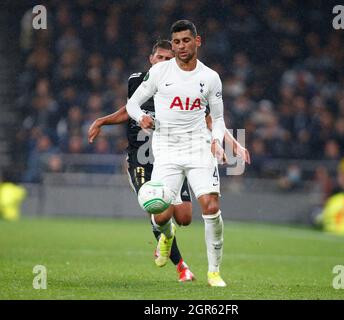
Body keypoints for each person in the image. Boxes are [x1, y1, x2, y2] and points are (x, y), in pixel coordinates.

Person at [88, 39, 250, 284]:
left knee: (184, 217)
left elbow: (209, 118)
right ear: (151, 59)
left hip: (176, 152)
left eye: (168, 57)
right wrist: (103, 120)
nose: (164, 61)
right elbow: (127, 109)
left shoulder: (180, 84)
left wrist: (232, 141)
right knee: (157, 208)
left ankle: (167, 236)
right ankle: (182, 266)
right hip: (142, 156)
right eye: (160, 57)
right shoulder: (139, 81)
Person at [126, 20, 234, 287]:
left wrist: (217, 142)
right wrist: (141, 117)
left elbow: (218, 119)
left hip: (199, 148)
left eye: (186, 40)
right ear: (171, 45)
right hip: (167, 152)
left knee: (211, 207)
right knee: (160, 213)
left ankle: (214, 272)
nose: (181, 46)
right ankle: (166, 235)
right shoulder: (160, 72)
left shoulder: (210, 77)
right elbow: (132, 103)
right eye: (176, 42)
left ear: (197, 41)